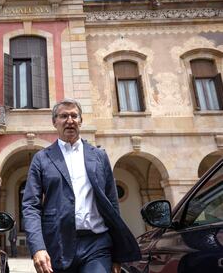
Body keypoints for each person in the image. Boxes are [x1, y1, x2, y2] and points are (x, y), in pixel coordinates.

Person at [22, 98, 141, 273]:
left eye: (74, 116)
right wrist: (38, 248)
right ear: (54, 122)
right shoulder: (42, 158)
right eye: (63, 116)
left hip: (97, 244)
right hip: (58, 245)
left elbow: (112, 204)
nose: (69, 121)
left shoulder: (99, 156)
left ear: (81, 121)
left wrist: (117, 254)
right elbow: (30, 206)